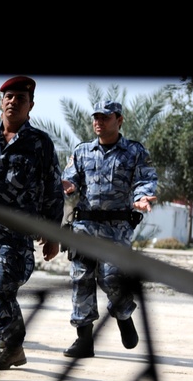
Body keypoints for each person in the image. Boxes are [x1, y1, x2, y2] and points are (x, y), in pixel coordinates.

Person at [0, 76, 64, 381]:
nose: (13, 101)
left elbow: (53, 190)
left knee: (4, 289)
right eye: (8, 96)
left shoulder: (40, 143)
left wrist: (53, 233)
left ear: (30, 105)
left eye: (20, 98)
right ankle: (15, 346)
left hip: (18, 234)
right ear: (1, 101)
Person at [61, 100, 158, 359]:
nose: (98, 122)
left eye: (105, 117)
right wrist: (66, 185)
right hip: (83, 226)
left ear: (119, 120)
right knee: (80, 280)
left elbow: (145, 179)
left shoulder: (133, 152)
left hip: (116, 229)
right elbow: (70, 178)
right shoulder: (82, 151)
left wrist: (143, 197)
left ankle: (123, 314)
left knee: (112, 278)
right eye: (96, 117)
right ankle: (84, 339)